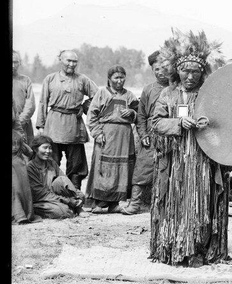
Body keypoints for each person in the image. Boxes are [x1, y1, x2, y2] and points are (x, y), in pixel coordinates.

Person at [150, 28, 228, 267]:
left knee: (202, 203)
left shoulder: (209, 94)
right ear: (177, 70)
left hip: (203, 160)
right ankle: (173, 248)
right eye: (185, 71)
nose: (190, 76)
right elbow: (155, 122)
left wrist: (208, 123)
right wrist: (178, 122)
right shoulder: (168, 94)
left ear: (202, 72)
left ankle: (198, 250)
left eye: (195, 71)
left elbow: (224, 121)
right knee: (177, 202)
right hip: (175, 161)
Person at [35, 50, 98, 191]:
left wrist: (84, 106)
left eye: (74, 61)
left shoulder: (82, 79)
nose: (71, 64)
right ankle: (51, 194)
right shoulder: (50, 79)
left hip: (74, 126)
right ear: (60, 60)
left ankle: (75, 194)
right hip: (54, 125)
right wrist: (40, 126)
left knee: (77, 164)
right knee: (51, 161)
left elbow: (98, 97)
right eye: (68, 60)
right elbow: (43, 103)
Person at [121, 50, 171, 215]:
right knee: (143, 167)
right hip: (150, 133)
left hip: (170, 133)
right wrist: (143, 135)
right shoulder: (148, 89)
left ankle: (166, 205)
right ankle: (135, 203)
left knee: (169, 169)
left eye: (163, 68)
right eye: (156, 69)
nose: (160, 72)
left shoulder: (175, 89)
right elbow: (141, 115)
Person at [85, 65, 139, 214]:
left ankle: (114, 203)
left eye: (122, 77)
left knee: (121, 169)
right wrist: (97, 133)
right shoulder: (102, 93)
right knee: (103, 167)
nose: (120, 81)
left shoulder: (129, 95)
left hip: (124, 136)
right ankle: (99, 202)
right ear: (109, 79)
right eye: (116, 78)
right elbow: (92, 116)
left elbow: (140, 115)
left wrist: (132, 113)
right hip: (106, 135)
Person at [26, 135, 88, 219]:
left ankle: (77, 207)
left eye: (50, 148)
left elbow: (64, 181)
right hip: (40, 200)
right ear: (35, 149)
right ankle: (70, 207)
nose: (48, 151)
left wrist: (77, 195)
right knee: (64, 211)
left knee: (63, 181)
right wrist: (68, 201)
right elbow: (41, 194)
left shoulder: (51, 163)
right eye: (44, 148)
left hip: (54, 196)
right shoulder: (30, 167)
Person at [12, 129, 41, 224]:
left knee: (19, 189)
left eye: (17, 144)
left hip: (19, 166)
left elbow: (30, 152)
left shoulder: (16, 134)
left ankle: (21, 213)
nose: (14, 147)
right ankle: (18, 214)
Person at [12, 51, 36, 144]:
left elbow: (30, 104)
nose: (13, 65)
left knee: (24, 154)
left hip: (22, 125)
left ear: (20, 63)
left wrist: (19, 122)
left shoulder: (25, 80)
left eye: (15, 62)